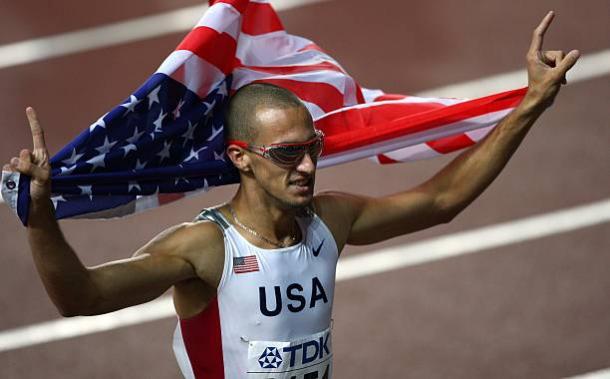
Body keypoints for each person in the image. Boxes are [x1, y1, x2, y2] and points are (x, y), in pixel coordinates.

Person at [3, 11, 579, 379]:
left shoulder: (330, 219)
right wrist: (40, 219)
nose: (306, 166)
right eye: (285, 154)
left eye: (312, 148)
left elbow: (442, 200)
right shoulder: (204, 249)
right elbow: (81, 297)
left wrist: (529, 106)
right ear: (241, 159)